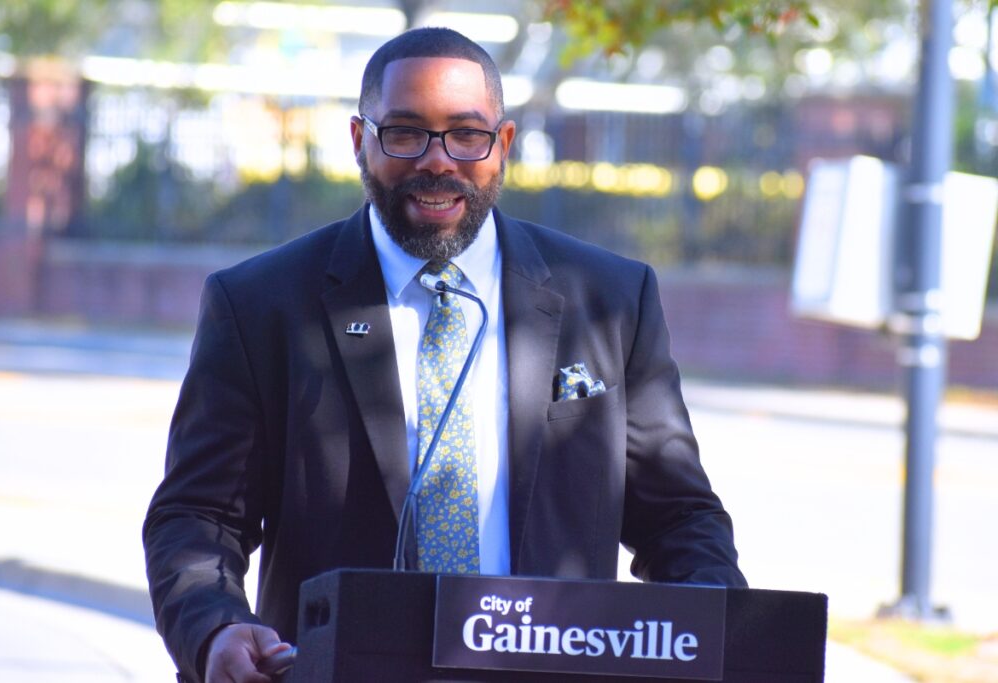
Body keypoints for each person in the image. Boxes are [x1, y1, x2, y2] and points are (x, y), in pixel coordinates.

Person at [144, 26, 745, 683]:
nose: (438, 160)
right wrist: (216, 627)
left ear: (504, 144)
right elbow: (198, 515)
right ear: (359, 141)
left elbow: (679, 517)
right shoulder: (262, 305)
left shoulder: (610, 299)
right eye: (405, 132)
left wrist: (720, 635)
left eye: (467, 133)